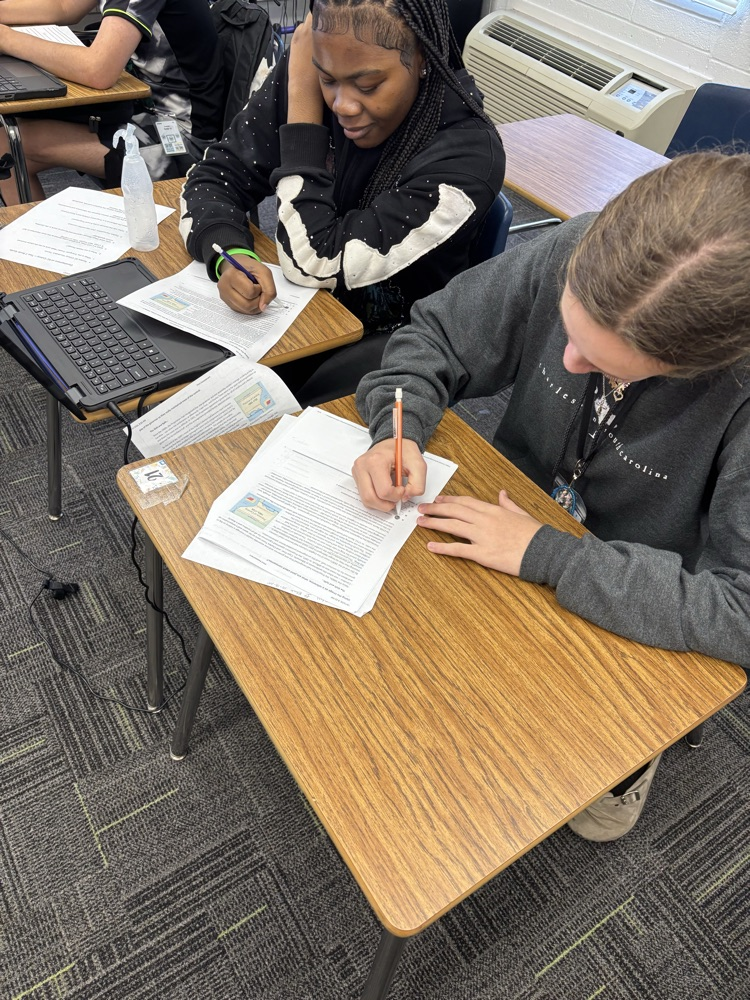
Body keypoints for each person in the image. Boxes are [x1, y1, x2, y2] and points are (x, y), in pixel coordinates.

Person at [352, 151, 750, 841]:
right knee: (397, 702)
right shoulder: (577, 247)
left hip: (631, 590)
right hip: (508, 519)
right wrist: (404, 423)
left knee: (579, 812)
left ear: (695, 365)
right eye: (570, 330)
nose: (567, 361)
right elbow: (438, 333)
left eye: (599, 360)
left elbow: (740, 610)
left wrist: (553, 558)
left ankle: (631, 756)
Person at [180, 0, 505, 404]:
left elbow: (315, 261)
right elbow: (214, 175)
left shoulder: (468, 157)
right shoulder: (314, 70)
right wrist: (230, 253)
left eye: (368, 86)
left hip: (379, 362)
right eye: (326, 80)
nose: (343, 105)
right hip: (294, 323)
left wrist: (302, 109)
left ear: (421, 57)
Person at [0, 0, 224, 204]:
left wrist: (7, 39)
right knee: (10, 145)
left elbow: (98, 70)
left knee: (7, 147)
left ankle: (35, 244)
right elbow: (63, 7)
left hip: (181, 139)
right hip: (141, 107)